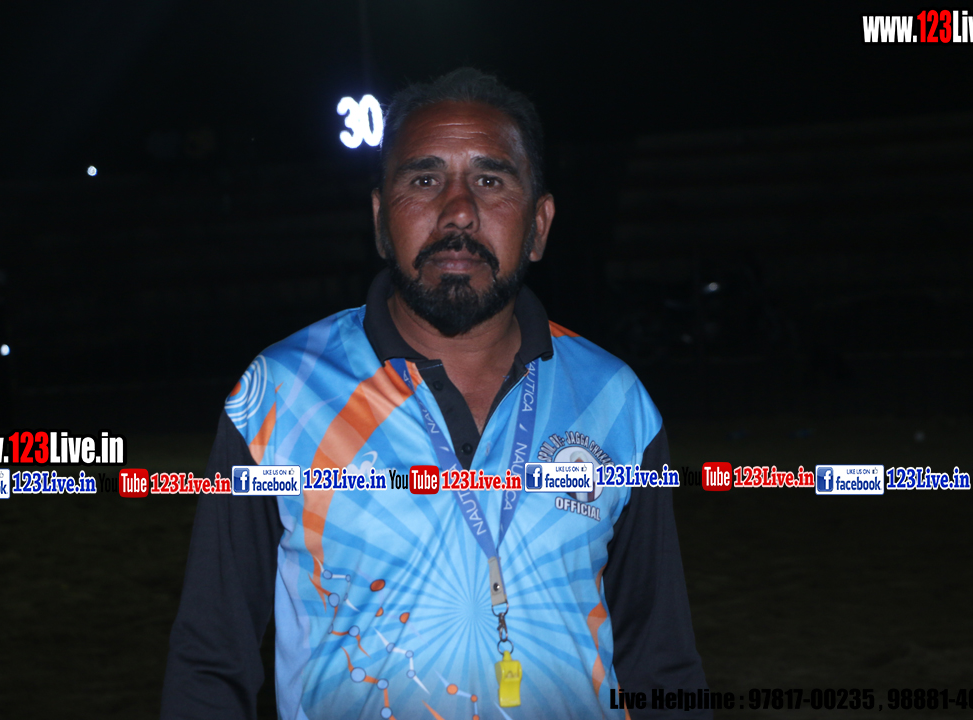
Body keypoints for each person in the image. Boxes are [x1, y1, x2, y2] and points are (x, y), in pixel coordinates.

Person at [161, 68, 709, 719]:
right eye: (424, 180)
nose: (458, 211)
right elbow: (210, 661)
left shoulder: (616, 404)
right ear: (379, 219)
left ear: (539, 225)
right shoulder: (278, 395)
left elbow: (660, 660)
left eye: (491, 180)